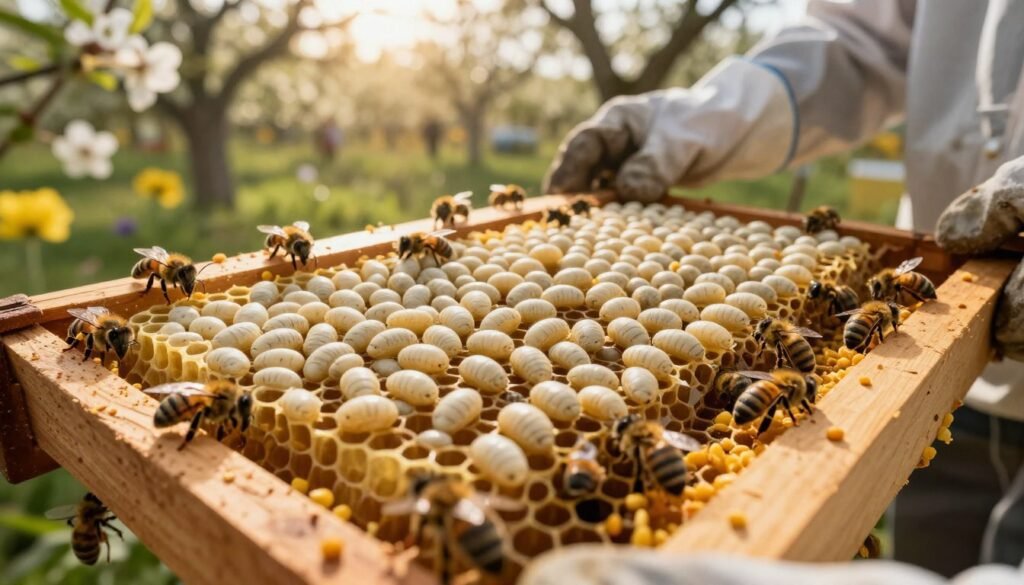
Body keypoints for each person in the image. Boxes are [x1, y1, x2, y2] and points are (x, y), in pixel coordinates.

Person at [544, 0, 1024, 577]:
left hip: (938, 339)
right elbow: (852, 42)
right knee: (929, 538)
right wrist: (693, 121)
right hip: (946, 377)